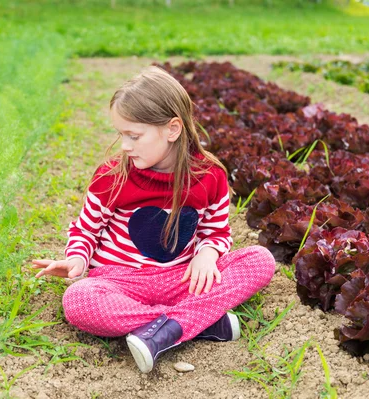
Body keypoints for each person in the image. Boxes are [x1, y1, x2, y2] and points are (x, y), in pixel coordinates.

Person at [32, 65, 276, 374]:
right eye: (121, 135)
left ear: (172, 129)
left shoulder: (209, 177)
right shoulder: (112, 177)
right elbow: (86, 229)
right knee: (79, 301)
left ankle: (167, 327)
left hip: (182, 279)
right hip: (121, 282)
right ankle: (194, 322)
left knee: (259, 260)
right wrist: (77, 261)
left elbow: (217, 232)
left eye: (134, 136)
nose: (124, 146)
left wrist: (208, 253)